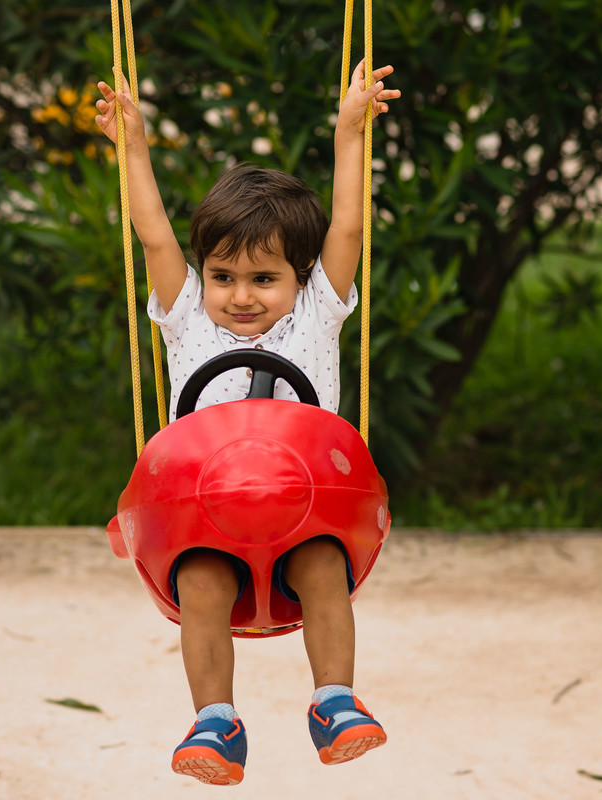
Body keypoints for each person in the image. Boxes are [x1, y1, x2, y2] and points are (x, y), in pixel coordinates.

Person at [95, 59, 399, 787]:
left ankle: (334, 701)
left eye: (265, 279)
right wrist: (132, 148)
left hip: (306, 507)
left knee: (324, 569)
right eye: (224, 276)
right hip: (201, 511)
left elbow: (350, 225)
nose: (240, 297)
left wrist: (348, 131)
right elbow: (155, 238)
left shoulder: (318, 316)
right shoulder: (187, 321)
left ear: (300, 278)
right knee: (200, 583)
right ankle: (215, 722)